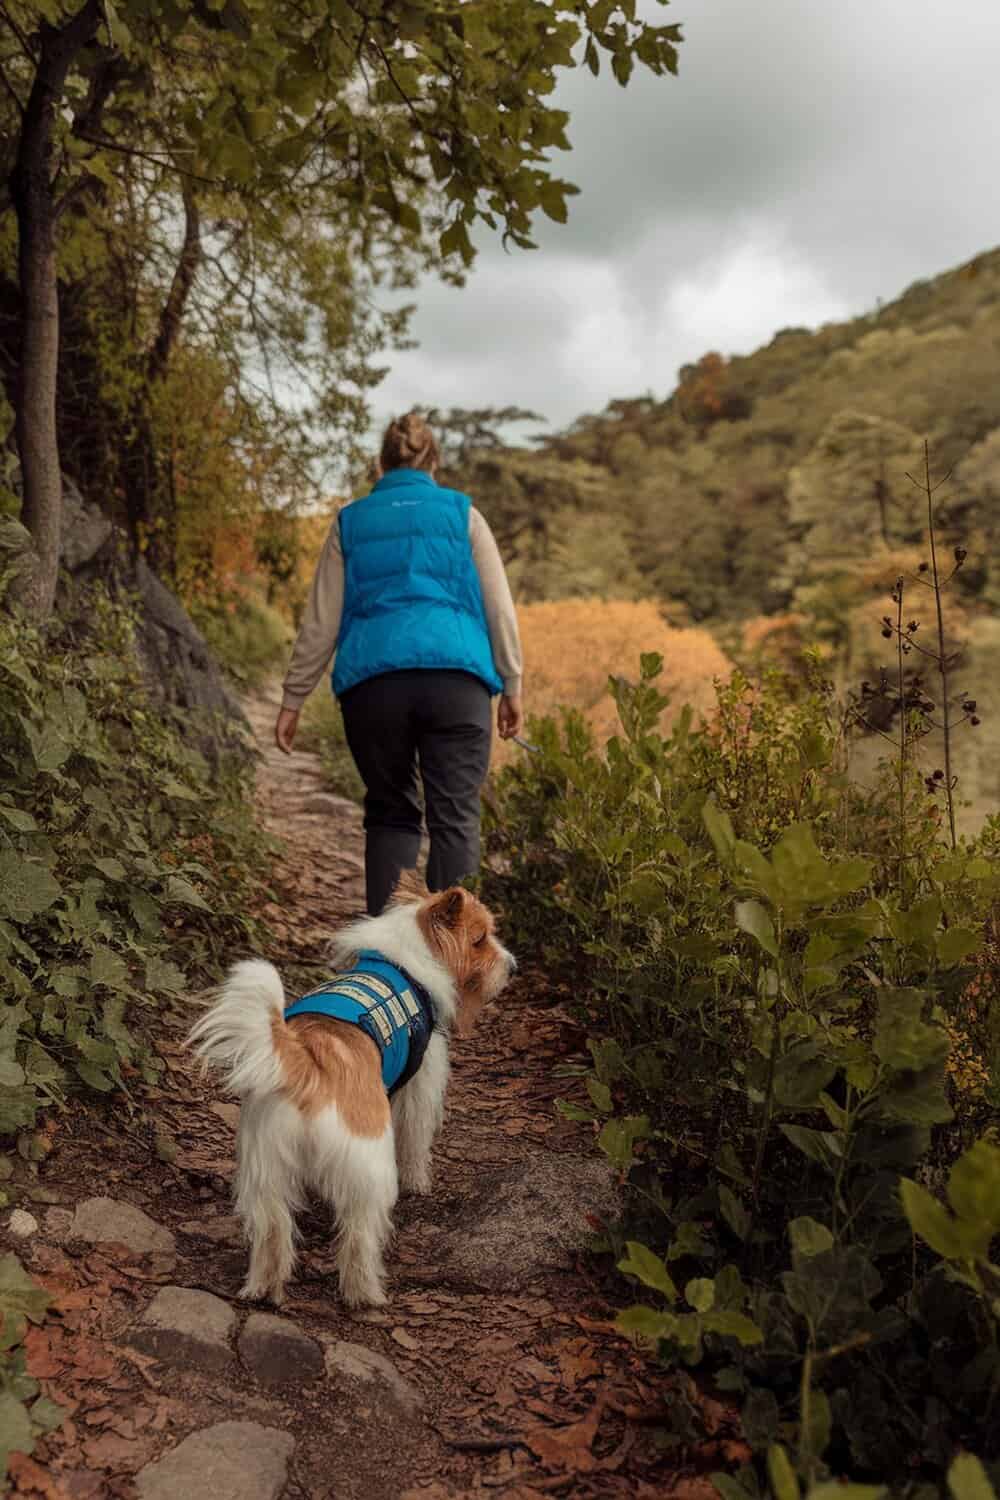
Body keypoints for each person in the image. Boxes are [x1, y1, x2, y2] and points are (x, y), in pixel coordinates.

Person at [274, 411, 524, 916]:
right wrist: (513, 683)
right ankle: (452, 967)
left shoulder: (352, 521)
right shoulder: (464, 515)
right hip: (458, 684)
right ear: (434, 462)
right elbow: (499, 606)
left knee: (391, 814)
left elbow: (321, 621)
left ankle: (387, 964)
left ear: (379, 464)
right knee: (455, 817)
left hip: (375, 687)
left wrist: (293, 698)